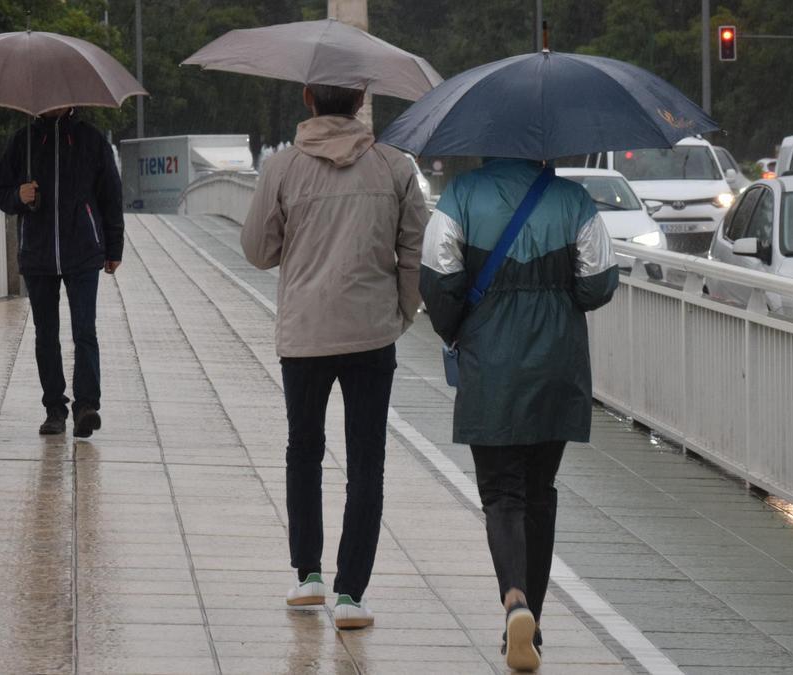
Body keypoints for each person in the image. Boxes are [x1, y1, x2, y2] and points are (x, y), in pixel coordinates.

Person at [419, 158, 618, 672]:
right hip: (557, 360)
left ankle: (514, 601)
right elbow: (598, 283)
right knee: (539, 492)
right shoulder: (574, 201)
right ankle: (532, 618)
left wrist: (457, 328)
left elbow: (437, 279)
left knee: (501, 493)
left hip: (491, 361)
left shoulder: (460, 196)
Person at [242, 83, 427, 630]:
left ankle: (308, 576)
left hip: (305, 334)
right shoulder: (396, 167)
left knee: (304, 451)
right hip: (372, 333)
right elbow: (415, 248)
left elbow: (257, 250)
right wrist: (401, 313)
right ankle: (351, 594)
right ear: (361, 99)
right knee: (366, 461)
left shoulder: (280, 168)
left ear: (306, 99)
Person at [0, 107, 124, 438]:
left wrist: (114, 248)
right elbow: (0, 191)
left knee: (84, 330)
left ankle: (86, 407)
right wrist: (19, 196)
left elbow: (111, 195)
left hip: (82, 251)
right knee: (45, 334)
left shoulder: (91, 140)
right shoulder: (24, 141)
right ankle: (55, 408)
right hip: (38, 254)